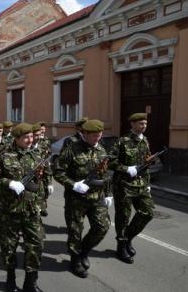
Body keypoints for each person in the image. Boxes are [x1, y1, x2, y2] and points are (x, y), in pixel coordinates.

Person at [54, 119, 112, 278]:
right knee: (75, 232)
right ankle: (75, 260)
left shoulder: (101, 149)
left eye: (99, 135)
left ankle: (84, 251)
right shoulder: (72, 149)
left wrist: (108, 193)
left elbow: (104, 173)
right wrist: (73, 185)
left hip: (97, 197)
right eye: (94, 136)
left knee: (102, 227)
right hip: (76, 198)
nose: (97, 138)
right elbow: (58, 172)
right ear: (84, 134)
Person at [0, 123, 45, 292]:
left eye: (31, 137)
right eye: (26, 138)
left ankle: (31, 281)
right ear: (16, 139)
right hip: (9, 210)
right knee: (9, 247)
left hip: (31, 209)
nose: (30, 140)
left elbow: (41, 182)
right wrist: (9, 183)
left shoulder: (37, 155)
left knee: (36, 244)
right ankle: (10, 277)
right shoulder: (4, 156)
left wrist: (42, 201)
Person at [109, 113, 154, 264]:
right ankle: (121, 246)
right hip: (124, 186)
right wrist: (127, 169)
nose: (144, 126)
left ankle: (127, 238)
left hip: (141, 185)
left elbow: (145, 163)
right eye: (141, 123)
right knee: (123, 217)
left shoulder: (145, 141)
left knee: (147, 213)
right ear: (132, 124)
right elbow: (110, 161)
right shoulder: (122, 141)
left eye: (145, 123)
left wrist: (148, 184)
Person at [32, 123, 53, 217]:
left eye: (39, 135)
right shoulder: (25, 148)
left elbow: (46, 166)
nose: (38, 137)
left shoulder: (41, 149)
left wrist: (49, 183)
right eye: (35, 135)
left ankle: (42, 208)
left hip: (40, 181)